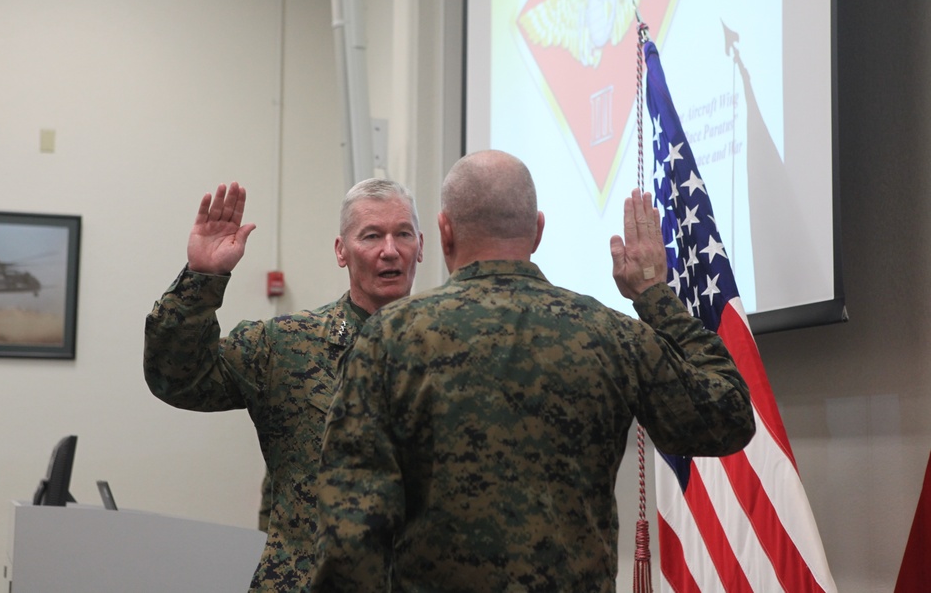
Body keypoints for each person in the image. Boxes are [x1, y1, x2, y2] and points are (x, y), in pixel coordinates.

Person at [311, 150, 756, 592]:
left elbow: (352, 529)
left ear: (443, 232)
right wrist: (654, 295)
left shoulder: (389, 337)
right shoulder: (608, 334)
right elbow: (728, 417)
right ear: (537, 230)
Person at [144, 178, 424, 592]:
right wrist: (202, 279)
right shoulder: (286, 343)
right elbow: (178, 377)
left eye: (402, 234)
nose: (390, 250)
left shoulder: (450, 350)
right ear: (341, 251)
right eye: (371, 236)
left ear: (421, 244)